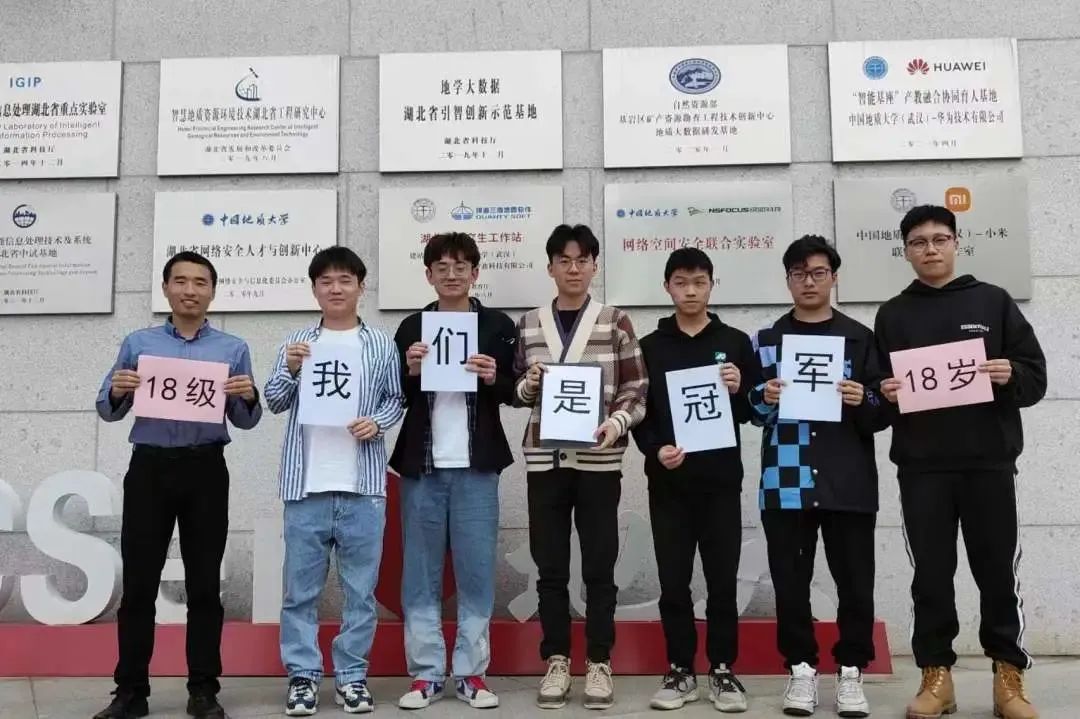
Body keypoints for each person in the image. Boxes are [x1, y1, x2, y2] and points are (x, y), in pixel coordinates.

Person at [874, 206, 1046, 719]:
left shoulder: (993, 301)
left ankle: (1008, 676)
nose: (930, 249)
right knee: (930, 576)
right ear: (906, 250)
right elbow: (877, 399)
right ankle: (936, 676)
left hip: (989, 463)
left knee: (997, 573)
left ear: (956, 243)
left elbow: (1035, 378)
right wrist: (885, 393)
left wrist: (1011, 374)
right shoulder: (892, 314)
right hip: (922, 468)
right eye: (919, 241)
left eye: (939, 239)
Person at [93, 252, 262, 719]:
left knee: (204, 585)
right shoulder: (139, 343)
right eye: (181, 281)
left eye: (200, 282)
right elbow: (107, 409)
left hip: (206, 469)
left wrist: (249, 396)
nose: (190, 290)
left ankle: (203, 689)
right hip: (150, 469)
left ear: (213, 291)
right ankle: (130, 691)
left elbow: (246, 420)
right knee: (139, 585)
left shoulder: (232, 348)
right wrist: (119, 389)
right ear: (166, 288)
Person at [749, 235, 891, 718]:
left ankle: (851, 670)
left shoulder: (860, 337)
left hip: (848, 479)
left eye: (818, 273)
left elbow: (883, 409)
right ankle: (801, 669)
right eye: (799, 274)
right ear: (787, 279)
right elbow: (748, 409)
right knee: (791, 582)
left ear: (834, 277)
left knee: (855, 582)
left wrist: (863, 399)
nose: (808, 282)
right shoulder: (766, 340)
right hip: (786, 480)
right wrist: (763, 396)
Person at [264, 247, 404, 716]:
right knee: (299, 591)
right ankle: (302, 677)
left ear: (361, 287)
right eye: (326, 281)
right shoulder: (298, 342)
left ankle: (351, 677)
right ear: (314, 289)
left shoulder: (379, 343)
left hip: (362, 486)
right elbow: (274, 400)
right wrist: (291, 369)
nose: (336, 288)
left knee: (360, 592)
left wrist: (377, 423)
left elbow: (395, 399)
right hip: (305, 486)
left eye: (345, 280)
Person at [513, 223, 648, 710]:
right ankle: (555, 659)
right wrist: (529, 384)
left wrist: (616, 422)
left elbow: (636, 386)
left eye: (582, 260)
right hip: (545, 460)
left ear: (595, 266)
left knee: (598, 564)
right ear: (550, 267)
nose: (573, 269)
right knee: (549, 565)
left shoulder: (615, 320)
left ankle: (598, 661)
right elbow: (515, 390)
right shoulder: (530, 323)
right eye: (564, 261)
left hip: (599, 458)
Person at [390, 233, 519, 710]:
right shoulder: (411, 327)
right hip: (421, 467)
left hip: (477, 466)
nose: (451, 274)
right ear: (428, 274)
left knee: (476, 572)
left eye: (460, 266)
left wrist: (493, 376)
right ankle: (425, 674)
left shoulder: (497, 326)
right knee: (419, 574)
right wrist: (409, 370)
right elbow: (394, 395)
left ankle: (471, 673)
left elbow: (515, 391)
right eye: (441, 267)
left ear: (475, 273)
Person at [631, 248, 759, 713]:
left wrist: (740, 388)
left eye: (699, 282)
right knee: (674, 582)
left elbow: (752, 411)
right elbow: (639, 412)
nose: (690, 291)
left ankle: (722, 669)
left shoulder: (736, 342)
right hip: (669, 483)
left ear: (711, 285)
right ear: (667, 287)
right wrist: (654, 450)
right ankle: (680, 668)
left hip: (721, 481)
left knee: (723, 580)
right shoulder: (649, 347)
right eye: (681, 282)